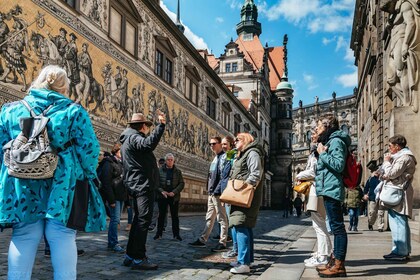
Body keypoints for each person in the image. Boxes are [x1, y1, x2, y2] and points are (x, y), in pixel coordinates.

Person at [0, 65, 106, 279]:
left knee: (23, 235)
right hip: (63, 182)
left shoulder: (9, 110)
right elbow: (90, 150)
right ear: (64, 87)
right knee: (62, 236)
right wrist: (87, 173)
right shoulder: (73, 111)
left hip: (21, 182)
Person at [120, 111, 166, 270]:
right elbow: (148, 144)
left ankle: (130, 255)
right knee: (143, 222)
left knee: (139, 221)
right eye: (148, 126)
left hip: (136, 184)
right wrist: (161, 126)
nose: (148, 130)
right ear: (143, 126)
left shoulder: (128, 139)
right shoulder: (134, 137)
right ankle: (139, 258)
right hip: (142, 185)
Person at [314, 115, 350, 278]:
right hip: (329, 187)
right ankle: (334, 261)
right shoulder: (331, 141)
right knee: (335, 227)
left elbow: (338, 164)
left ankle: (339, 265)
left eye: (320, 126)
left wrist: (322, 154)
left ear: (328, 127)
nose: (317, 129)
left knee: (337, 228)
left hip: (332, 188)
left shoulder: (336, 142)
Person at [228, 133, 264, 274]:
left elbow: (255, 173)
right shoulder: (243, 154)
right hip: (241, 196)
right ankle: (246, 261)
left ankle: (243, 263)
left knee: (240, 225)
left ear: (246, 140)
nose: (235, 142)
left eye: (237, 140)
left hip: (245, 196)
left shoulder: (252, 153)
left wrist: (244, 189)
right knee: (245, 226)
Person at [297, 131, 332, 268]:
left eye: (315, 133)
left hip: (317, 189)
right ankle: (324, 252)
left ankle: (323, 256)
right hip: (317, 189)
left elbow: (315, 171)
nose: (311, 135)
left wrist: (300, 175)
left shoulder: (319, 149)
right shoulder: (316, 150)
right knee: (319, 223)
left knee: (318, 224)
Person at [189, 136, 229, 252]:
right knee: (209, 217)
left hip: (218, 193)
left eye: (214, 143)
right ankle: (202, 239)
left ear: (220, 144)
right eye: (210, 144)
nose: (211, 146)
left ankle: (223, 242)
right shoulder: (215, 158)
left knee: (221, 218)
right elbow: (211, 175)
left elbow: (223, 177)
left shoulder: (224, 157)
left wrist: (218, 191)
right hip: (212, 192)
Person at [380, 134, 416, 260]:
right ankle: (402, 250)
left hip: (399, 192)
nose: (389, 148)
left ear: (397, 146)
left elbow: (391, 173)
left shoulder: (405, 157)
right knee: (397, 221)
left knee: (398, 221)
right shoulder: (400, 157)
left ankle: (400, 251)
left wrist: (386, 163)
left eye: (390, 146)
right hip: (396, 191)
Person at [98, 143, 126, 253]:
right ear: (117, 152)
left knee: (116, 220)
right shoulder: (109, 163)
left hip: (120, 195)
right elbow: (106, 182)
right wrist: (111, 200)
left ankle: (112, 242)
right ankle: (113, 243)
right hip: (114, 196)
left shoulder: (120, 163)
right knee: (115, 220)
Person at [153, 153, 185, 241]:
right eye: (168, 160)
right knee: (161, 216)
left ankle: (176, 234)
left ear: (173, 161)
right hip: (163, 196)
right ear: (166, 161)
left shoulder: (178, 172)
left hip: (174, 197)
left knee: (175, 216)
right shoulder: (160, 170)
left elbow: (181, 183)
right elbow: (156, 183)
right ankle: (158, 234)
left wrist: (174, 192)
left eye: (171, 160)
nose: (170, 161)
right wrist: (162, 191)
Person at [219, 136, 238, 259]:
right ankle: (236, 248)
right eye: (222, 144)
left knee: (232, 223)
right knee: (230, 222)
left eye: (225, 144)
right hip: (226, 192)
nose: (223, 146)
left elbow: (229, 174)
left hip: (231, 191)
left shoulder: (232, 156)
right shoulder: (227, 156)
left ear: (231, 144)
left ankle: (236, 249)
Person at [363, 164, 384, 232]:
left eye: (378, 171)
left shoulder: (382, 179)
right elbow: (366, 188)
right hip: (372, 198)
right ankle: (370, 223)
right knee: (372, 212)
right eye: (375, 171)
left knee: (381, 212)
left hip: (381, 198)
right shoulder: (370, 180)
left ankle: (380, 227)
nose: (376, 172)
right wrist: (365, 194)